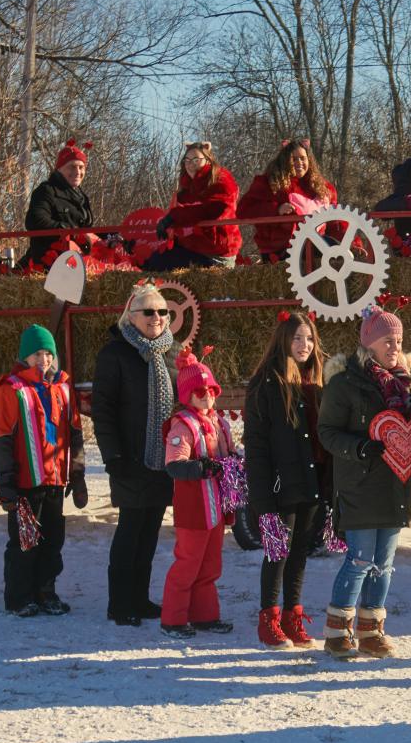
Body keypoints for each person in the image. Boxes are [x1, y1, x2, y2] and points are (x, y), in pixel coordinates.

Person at [317, 305, 411, 659]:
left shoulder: (405, 382)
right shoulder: (344, 383)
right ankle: (337, 630)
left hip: (395, 483)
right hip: (360, 482)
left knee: (384, 563)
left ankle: (371, 630)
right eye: (387, 340)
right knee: (359, 559)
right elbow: (327, 432)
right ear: (369, 344)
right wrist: (360, 447)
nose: (395, 347)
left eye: (398, 340)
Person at [92, 282, 177, 627]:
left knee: (150, 531)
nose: (156, 317)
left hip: (164, 461)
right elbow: (104, 409)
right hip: (130, 458)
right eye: (148, 312)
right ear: (131, 315)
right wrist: (112, 456)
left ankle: (139, 598)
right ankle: (120, 602)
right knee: (130, 530)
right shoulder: (115, 354)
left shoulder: (173, 351)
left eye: (162, 312)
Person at [0, 324, 87, 617]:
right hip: (25, 482)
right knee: (24, 542)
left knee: (52, 540)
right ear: (25, 357)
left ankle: (46, 591)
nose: (43, 360)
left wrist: (78, 474)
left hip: (55, 479)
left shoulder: (63, 388)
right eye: (36, 354)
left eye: (48, 353)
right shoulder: (11, 390)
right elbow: (1, 440)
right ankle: (20, 596)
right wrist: (5, 484)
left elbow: (76, 433)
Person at [245, 311, 328, 649]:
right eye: (297, 338)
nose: (304, 345)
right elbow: (257, 445)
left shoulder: (316, 383)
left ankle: (294, 617)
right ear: (283, 340)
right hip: (281, 485)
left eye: (309, 339)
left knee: (300, 552)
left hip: (311, 483)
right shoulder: (267, 383)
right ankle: (269, 620)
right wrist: (262, 498)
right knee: (277, 552)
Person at [159, 348, 239, 639]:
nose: (207, 396)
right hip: (194, 507)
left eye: (211, 390)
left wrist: (235, 461)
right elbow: (174, 464)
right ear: (187, 395)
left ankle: (205, 615)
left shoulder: (218, 422)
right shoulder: (184, 424)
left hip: (216, 505)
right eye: (199, 391)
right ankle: (173, 619)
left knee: (210, 564)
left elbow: (227, 454)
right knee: (187, 563)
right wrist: (203, 468)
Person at [144, 142, 243, 272]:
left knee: (159, 262)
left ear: (208, 160)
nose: (191, 164)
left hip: (216, 251)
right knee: (154, 259)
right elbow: (182, 214)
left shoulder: (221, 179)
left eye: (196, 160)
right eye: (188, 160)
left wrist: (174, 216)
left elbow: (215, 209)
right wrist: (170, 226)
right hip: (194, 246)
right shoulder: (187, 187)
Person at [237, 139, 338, 263]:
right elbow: (243, 210)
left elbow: (336, 221)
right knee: (326, 248)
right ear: (285, 161)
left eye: (302, 158)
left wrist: (353, 243)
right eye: (294, 159)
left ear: (309, 161)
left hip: (315, 247)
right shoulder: (269, 184)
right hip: (282, 252)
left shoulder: (324, 188)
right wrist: (276, 209)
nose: (299, 162)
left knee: (335, 248)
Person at [24, 139, 98, 271]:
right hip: (50, 263)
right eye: (71, 166)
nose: (77, 172)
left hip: (79, 264)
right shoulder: (46, 190)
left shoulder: (83, 197)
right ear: (59, 169)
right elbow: (35, 221)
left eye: (81, 167)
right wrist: (70, 232)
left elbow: (88, 231)